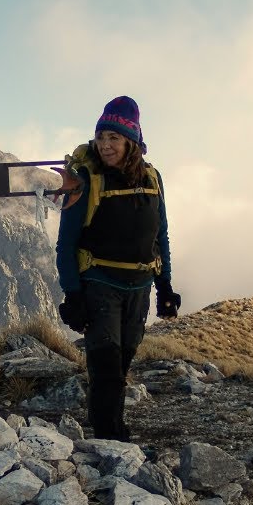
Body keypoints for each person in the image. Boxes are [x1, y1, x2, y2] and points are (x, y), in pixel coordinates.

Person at [55, 96, 181, 441]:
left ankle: (112, 431)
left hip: (139, 288)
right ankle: (111, 440)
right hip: (100, 286)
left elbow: (161, 234)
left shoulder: (153, 178)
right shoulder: (86, 180)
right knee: (105, 368)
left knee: (121, 366)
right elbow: (65, 244)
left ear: (132, 142)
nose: (106, 145)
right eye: (101, 137)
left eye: (114, 138)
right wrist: (73, 294)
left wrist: (165, 286)